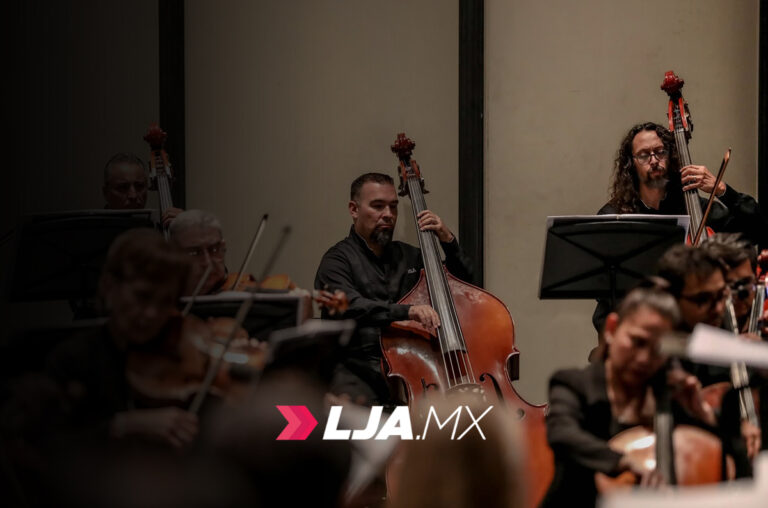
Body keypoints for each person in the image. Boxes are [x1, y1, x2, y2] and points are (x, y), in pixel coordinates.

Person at [542, 286, 717, 508]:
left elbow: (723, 459)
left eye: (657, 350)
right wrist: (623, 461)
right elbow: (561, 433)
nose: (644, 358)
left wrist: (701, 414)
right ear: (612, 329)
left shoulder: (667, 395)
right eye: (638, 342)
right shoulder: (574, 384)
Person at [592, 122, 766, 334]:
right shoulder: (614, 216)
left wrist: (722, 190)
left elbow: (758, 229)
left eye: (660, 152)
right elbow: (603, 286)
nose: (654, 160)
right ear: (631, 164)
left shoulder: (694, 209)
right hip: (634, 327)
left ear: (671, 156)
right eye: (644, 155)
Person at [314, 172, 472, 406]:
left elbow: (464, 291)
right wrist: (408, 311)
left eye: (393, 207)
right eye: (378, 206)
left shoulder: (411, 257)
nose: (388, 215)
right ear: (354, 209)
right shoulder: (337, 261)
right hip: (356, 379)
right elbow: (351, 305)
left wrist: (448, 240)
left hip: (413, 377)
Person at [45, 229, 199, 448]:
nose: (152, 314)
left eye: (165, 302)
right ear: (109, 286)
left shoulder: (180, 357)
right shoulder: (72, 359)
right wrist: (122, 426)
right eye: (142, 296)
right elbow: (49, 447)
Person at [169, 209, 256, 296]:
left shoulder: (243, 291)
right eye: (194, 253)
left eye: (214, 250)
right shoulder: (163, 300)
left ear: (223, 246)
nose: (207, 262)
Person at [102, 152, 181, 228]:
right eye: (123, 187)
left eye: (139, 186)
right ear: (106, 192)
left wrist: (186, 224)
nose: (133, 195)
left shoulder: (155, 229)